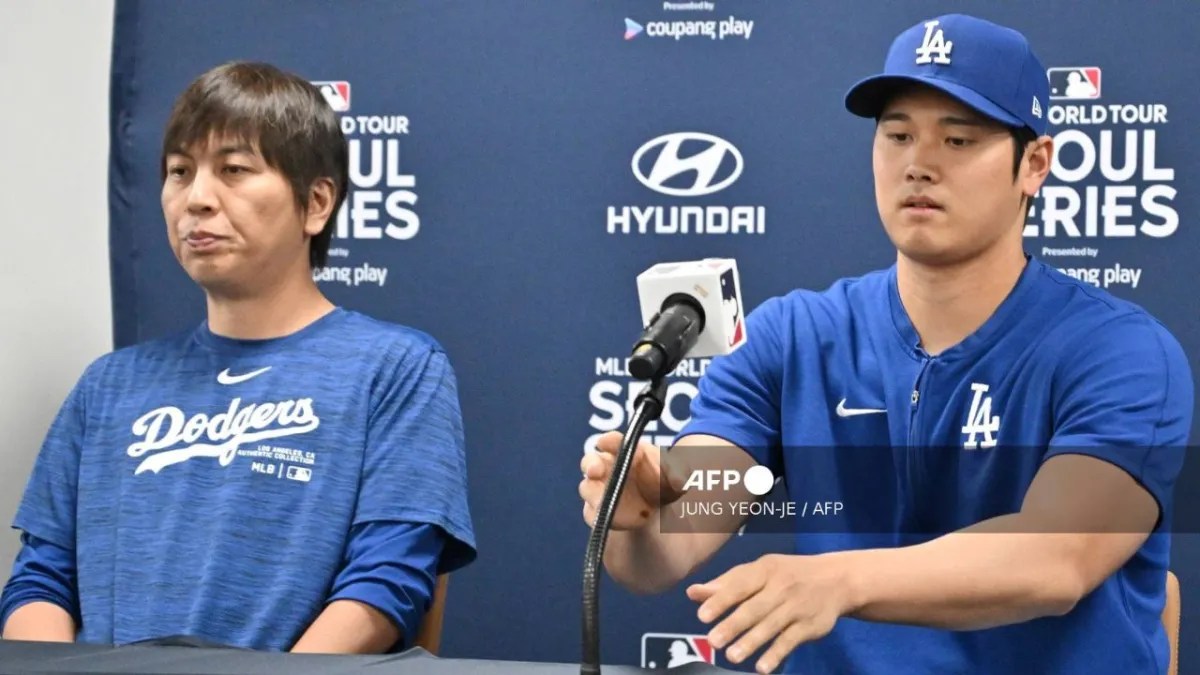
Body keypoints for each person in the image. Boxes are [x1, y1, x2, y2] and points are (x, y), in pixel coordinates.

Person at [580, 14, 1192, 675]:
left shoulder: (1120, 351)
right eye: (897, 135)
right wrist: (637, 518)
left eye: (958, 140)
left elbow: (1057, 559)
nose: (919, 164)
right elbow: (671, 546)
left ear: (1034, 164)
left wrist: (840, 580)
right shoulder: (792, 336)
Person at [0, 61, 476, 654]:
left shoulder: (396, 369)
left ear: (317, 203)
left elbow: (387, 584)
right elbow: (42, 581)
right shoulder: (109, 385)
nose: (196, 199)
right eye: (179, 171)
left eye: (234, 170)